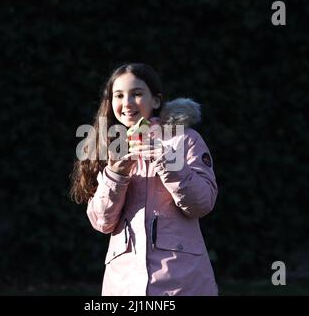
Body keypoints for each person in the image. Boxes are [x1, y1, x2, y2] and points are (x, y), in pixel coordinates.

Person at [70, 63, 218, 296]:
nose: (127, 103)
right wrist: (115, 176)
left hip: (182, 285)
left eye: (137, 94)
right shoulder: (108, 146)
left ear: (156, 101)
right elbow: (102, 222)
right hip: (123, 286)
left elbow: (202, 203)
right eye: (118, 95)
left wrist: (168, 162)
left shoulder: (185, 140)